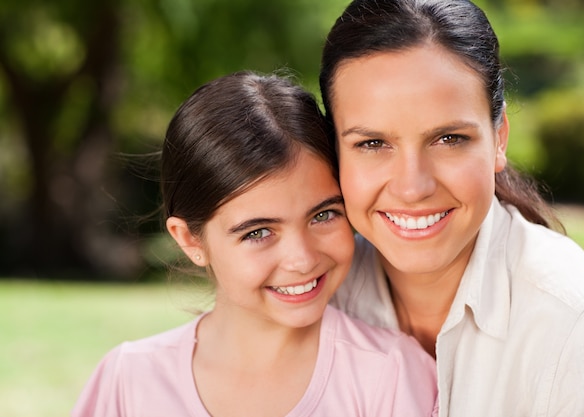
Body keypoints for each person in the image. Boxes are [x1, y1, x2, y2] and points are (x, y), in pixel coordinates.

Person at [319, 0, 584, 416]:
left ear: (499, 139)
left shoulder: (578, 324)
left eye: (448, 139)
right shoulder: (316, 297)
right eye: (372, 144)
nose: (412, 188)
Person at [71, 71, 438, 417]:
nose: (301, 259)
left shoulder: (389, 374)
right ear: (189, 240)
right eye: (258, 232)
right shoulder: (129, 381)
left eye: (323, 215)